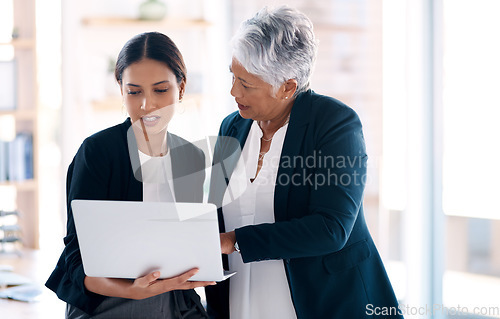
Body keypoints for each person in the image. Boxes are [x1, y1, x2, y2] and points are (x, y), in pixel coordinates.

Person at [205, 6, 403, 319]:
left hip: (323, 301)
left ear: (287, 86)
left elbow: (331, 227)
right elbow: (215, 212)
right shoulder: (232, 126)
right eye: (234, 76)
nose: (234, 91)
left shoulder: (335, 124)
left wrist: (234, 241)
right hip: (243, 300)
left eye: (247, 84)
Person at [46, 32, 214, 319]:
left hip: (176, 303)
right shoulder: (98, 152)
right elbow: (76, 256)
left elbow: (188, 243)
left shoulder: (192, 157)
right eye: (134, 92)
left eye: (160, 90)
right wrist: (133, 291)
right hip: (110, 302)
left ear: (181, 88)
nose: (147, 105)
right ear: (121, 90)